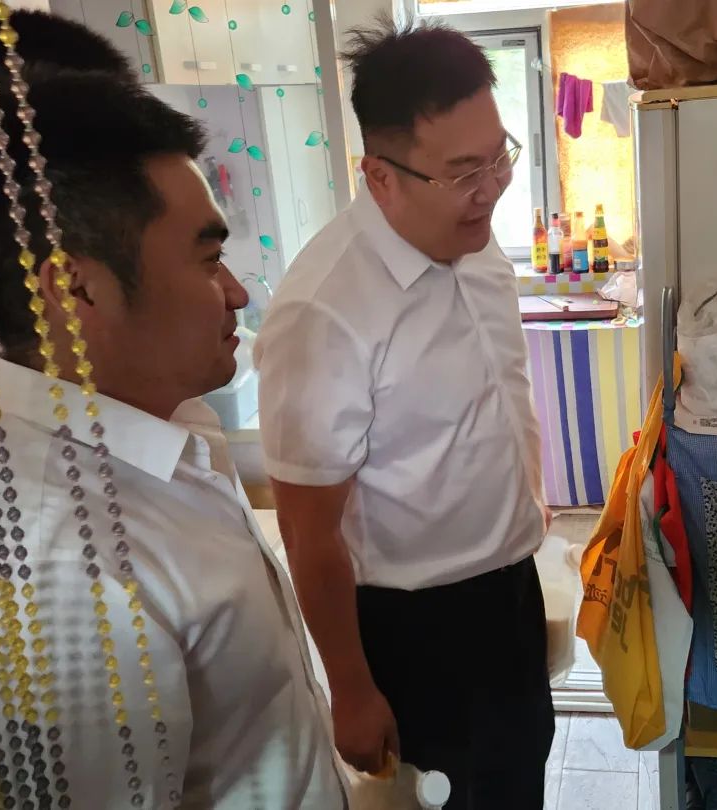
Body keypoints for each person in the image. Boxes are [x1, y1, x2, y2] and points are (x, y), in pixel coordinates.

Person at [0, 12, 349, 808]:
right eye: (209, 258)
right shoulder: (66, 567)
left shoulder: (171, 428)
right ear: (75, 290)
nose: (239, 293)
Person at [254, 18, 554, 809]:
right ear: (380, 176)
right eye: (462, 172)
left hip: (510, 594)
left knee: (517, 783)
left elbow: (495, 399)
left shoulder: (475, 246)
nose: (490, 188)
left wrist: (524, 495)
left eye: (498, 158)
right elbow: (308, 532)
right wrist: (352, 690)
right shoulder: (325, 311)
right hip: (416, 628)